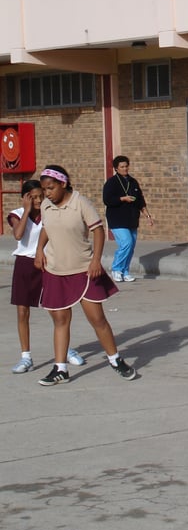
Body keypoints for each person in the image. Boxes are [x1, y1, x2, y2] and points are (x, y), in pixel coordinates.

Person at [34, 165, 136, 386]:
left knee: (97, 319)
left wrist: (96, 260)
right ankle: (60, 369)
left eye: (50, 188)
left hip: (83, 269)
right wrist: (39, 250)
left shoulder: (81, 203)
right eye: (44, 190)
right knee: (60, 320)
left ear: (63, 184)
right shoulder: (45, 206)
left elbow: (98, 230)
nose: (47, 193)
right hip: (55, 270)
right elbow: (46, 229)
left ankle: (115, 360)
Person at [8, 179, 85, 373]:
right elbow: (18, 235)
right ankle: (26, 357)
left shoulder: (50, 212)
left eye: (40, 196)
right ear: (25, 198)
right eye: (32, 197)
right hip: (25, 264)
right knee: (23, 311)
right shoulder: (16, 214)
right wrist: (26, 210)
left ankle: (66, 350)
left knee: (57, 310)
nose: (37, 200)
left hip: (48, 262)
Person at [102, 155, 153, 282]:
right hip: (117, 219)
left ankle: (125, 271)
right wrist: (122, 198)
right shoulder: (111, 182)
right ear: (116, 168)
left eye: (126, 166)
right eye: (122, 167)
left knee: (131, 246)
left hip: (131, 219)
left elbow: (140, 200)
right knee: (126, 243)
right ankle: (116, 269)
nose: (125, 169)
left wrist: (148, 216)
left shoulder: (133, 181)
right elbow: (107, 200)